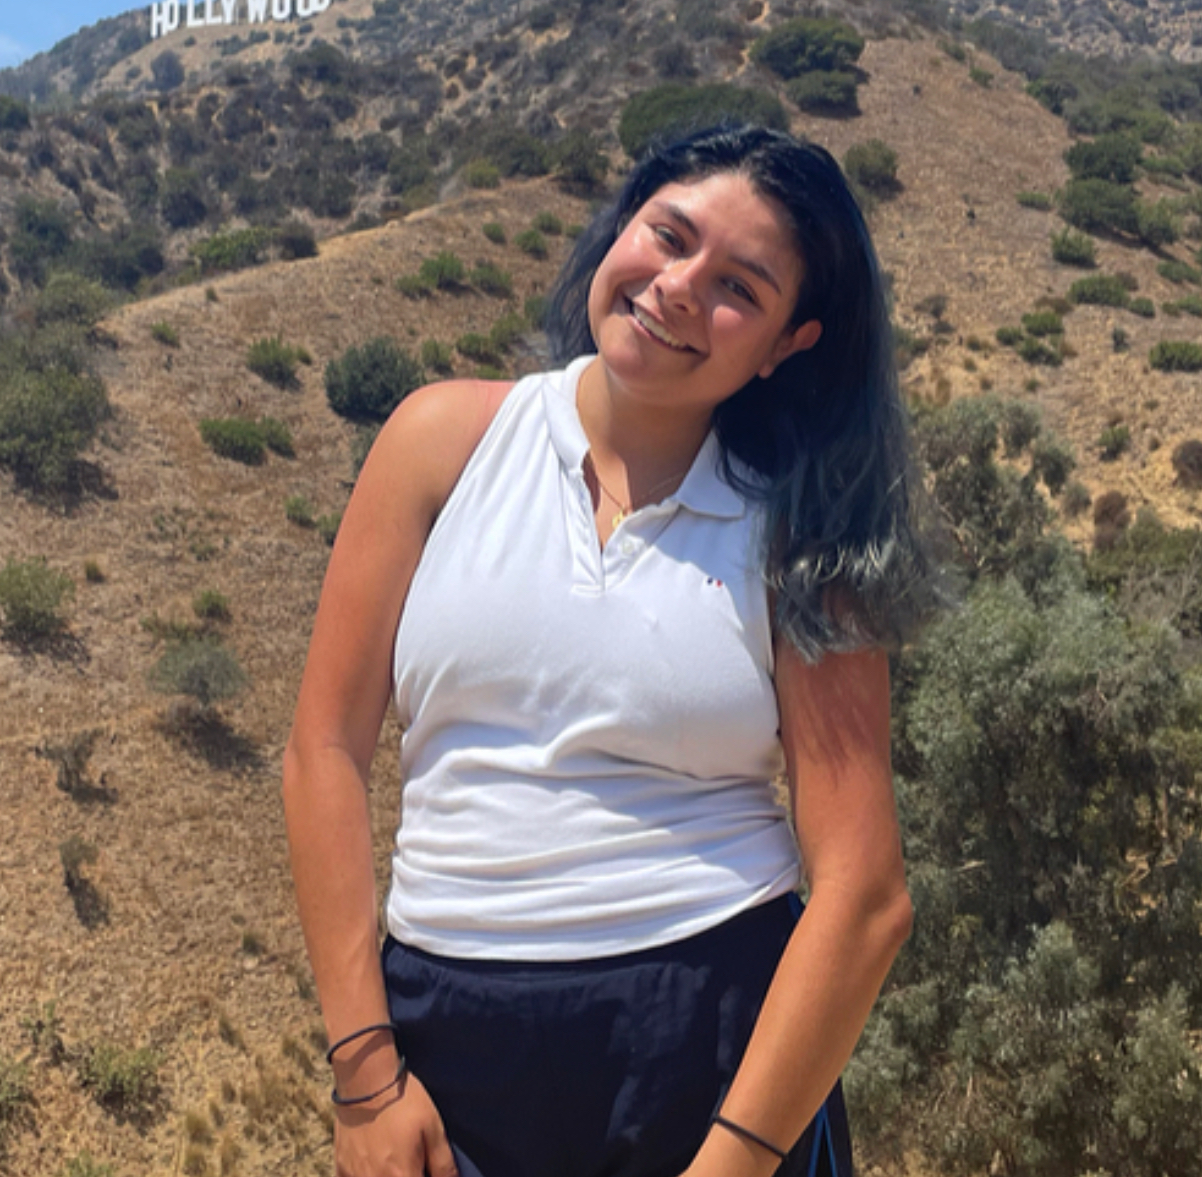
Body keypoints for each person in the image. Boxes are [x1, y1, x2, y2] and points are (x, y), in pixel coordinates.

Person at [282, 124, 941, 1177]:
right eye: (666, 234)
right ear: (617, 226)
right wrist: (364, 1075)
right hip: (446, 1051)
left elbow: (864, 893)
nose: (678, 286)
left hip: (711, 1054)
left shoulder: (802, 529)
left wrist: (730, 1165)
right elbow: (322, 748)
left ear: (786, 343)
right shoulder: (437, 442)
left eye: (738, 285)